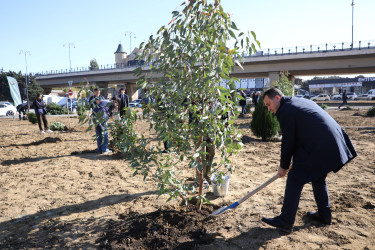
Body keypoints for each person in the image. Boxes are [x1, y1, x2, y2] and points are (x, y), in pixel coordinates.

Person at [261, 87, 357, 230]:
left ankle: (286, 220)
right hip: (330, 141)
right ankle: (324, 215)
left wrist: (284, 166)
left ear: (277, 98)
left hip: (322, 143)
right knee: (318, 175)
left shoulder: (286, 111)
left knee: (295, 178)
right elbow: (300, 133)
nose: (268, 109)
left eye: (268, 104)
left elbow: (288, 142)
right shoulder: (296, 102)